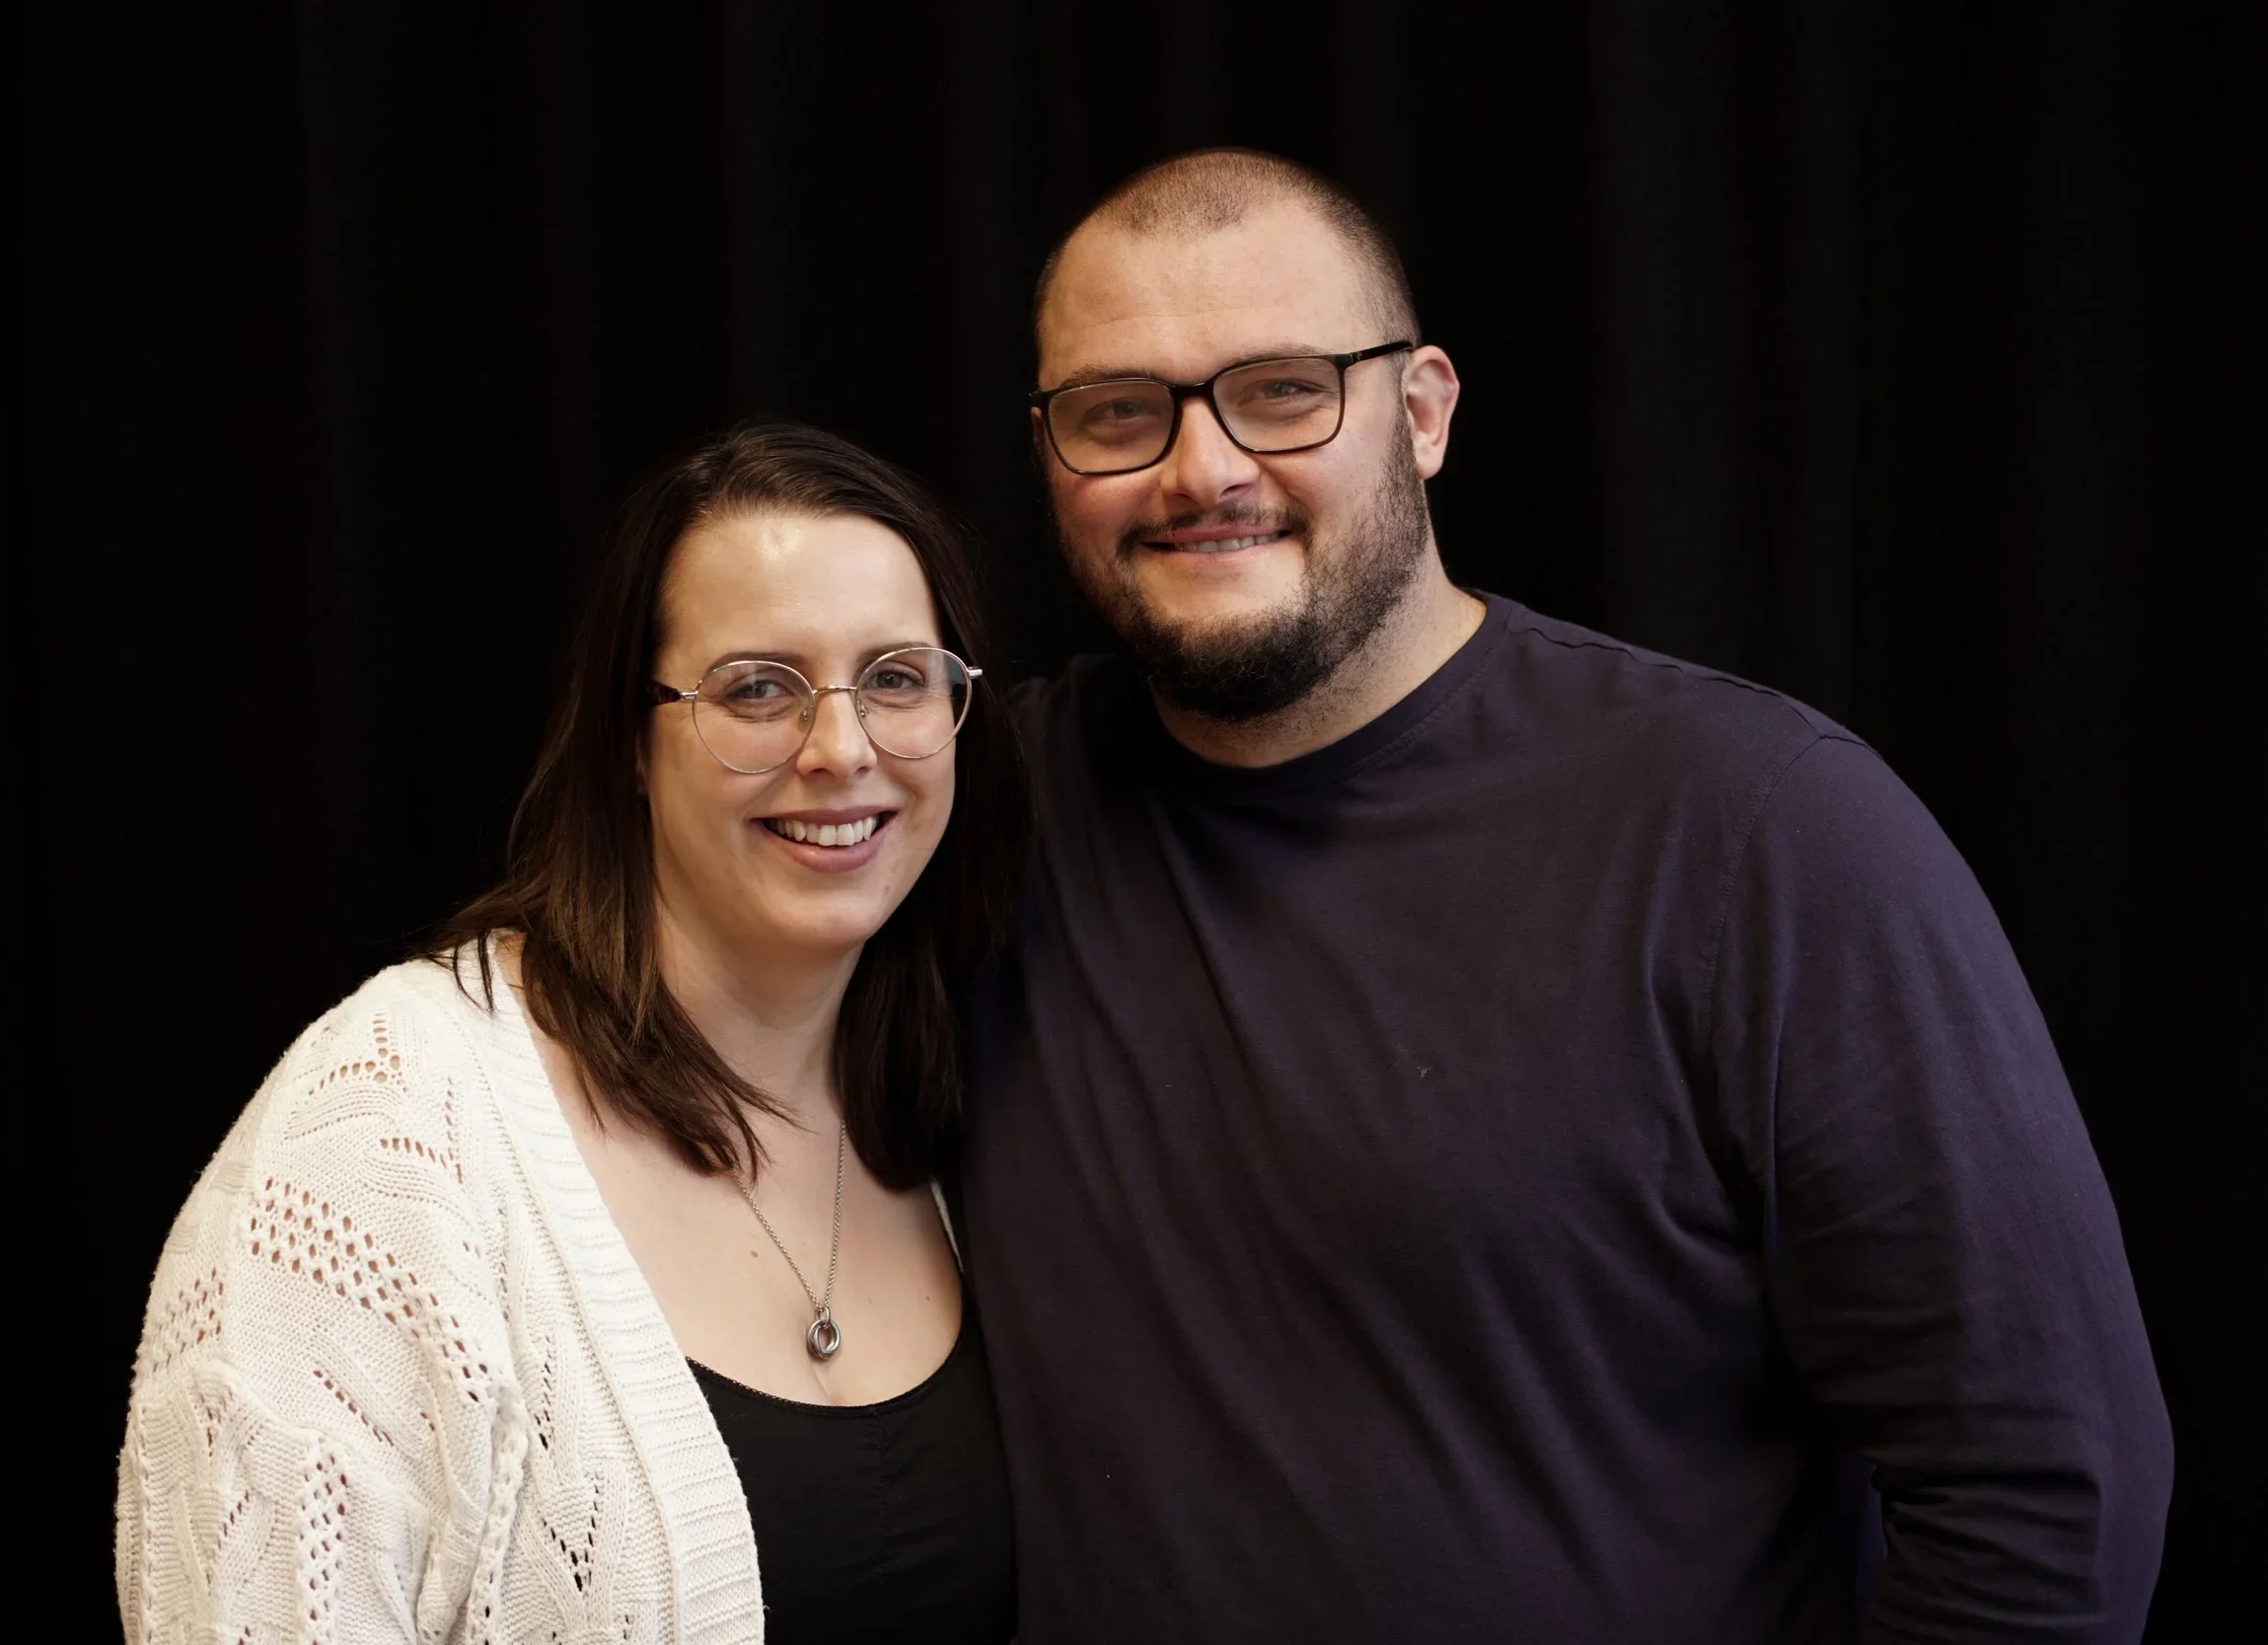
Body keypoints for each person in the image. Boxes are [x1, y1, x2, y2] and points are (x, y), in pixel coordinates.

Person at [959, 148, 2172, 1642]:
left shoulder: (1757, 830)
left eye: (1282, 390)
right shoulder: (965, 820)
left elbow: (2048, 1482)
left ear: (1423, 413)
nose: (1201, 469)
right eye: (1117, 412)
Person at [117, 421, 1025, 1644]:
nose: (842, 748)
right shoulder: (381, 1136)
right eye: (758, 687)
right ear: (626, 744)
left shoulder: (968, 1099)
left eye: (898, 677)